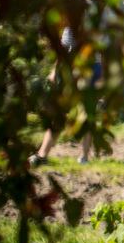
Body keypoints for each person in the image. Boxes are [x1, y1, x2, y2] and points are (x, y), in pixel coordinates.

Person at [29, 26, 95, 166]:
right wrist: (54, 71)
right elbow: (62, 50)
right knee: (60, 114)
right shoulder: (69, 24)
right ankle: (42, 155)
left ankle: (84, 157)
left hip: (89, 67)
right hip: (68, 68)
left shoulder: (94, 19)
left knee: (86, 114)